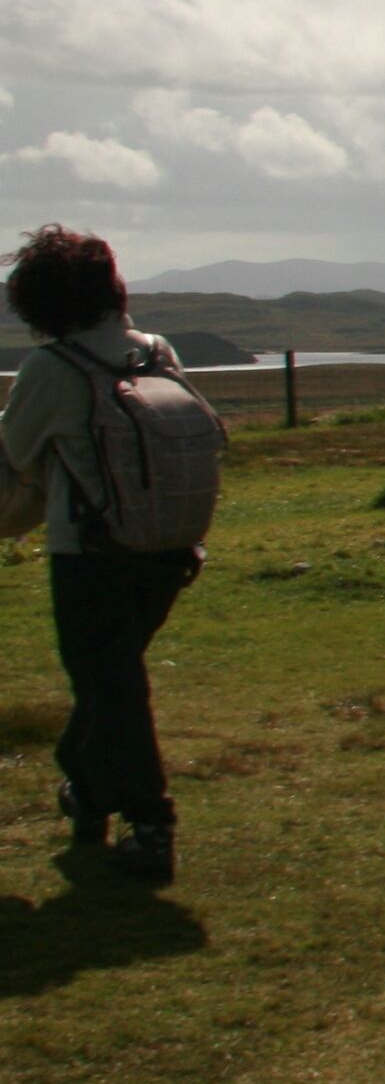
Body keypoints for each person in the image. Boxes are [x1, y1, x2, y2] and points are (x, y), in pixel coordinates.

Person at [0, 227, 200, 885]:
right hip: (170, 545)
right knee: (108, 682)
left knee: (110, 685)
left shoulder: (52, 371)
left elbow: (16, 460)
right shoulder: (155, 352)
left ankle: (150, 822)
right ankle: (85, 792)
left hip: (88, 551)